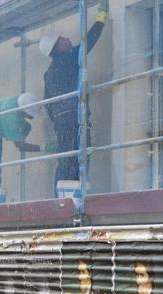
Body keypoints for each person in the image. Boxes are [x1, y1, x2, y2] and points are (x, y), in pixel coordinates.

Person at [39, 0, 108, 191]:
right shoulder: (69, 58)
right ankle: (73, 200)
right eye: (61, 38)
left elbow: (48, 104)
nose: (67, 38)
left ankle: (62, 198)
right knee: (78, 158)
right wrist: (102, 17)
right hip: (74, 118)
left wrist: (58, 120)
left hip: (63, 122)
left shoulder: (49, 73)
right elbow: (90, 39)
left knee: (66, 160)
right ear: (57, 47)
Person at [0, 93, 49, 190]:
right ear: (25, 112)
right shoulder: (12, 116)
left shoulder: (17, 103)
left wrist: (25, 128)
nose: (32, 118)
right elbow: (20, 146)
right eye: (31, 115)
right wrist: (42, 148)